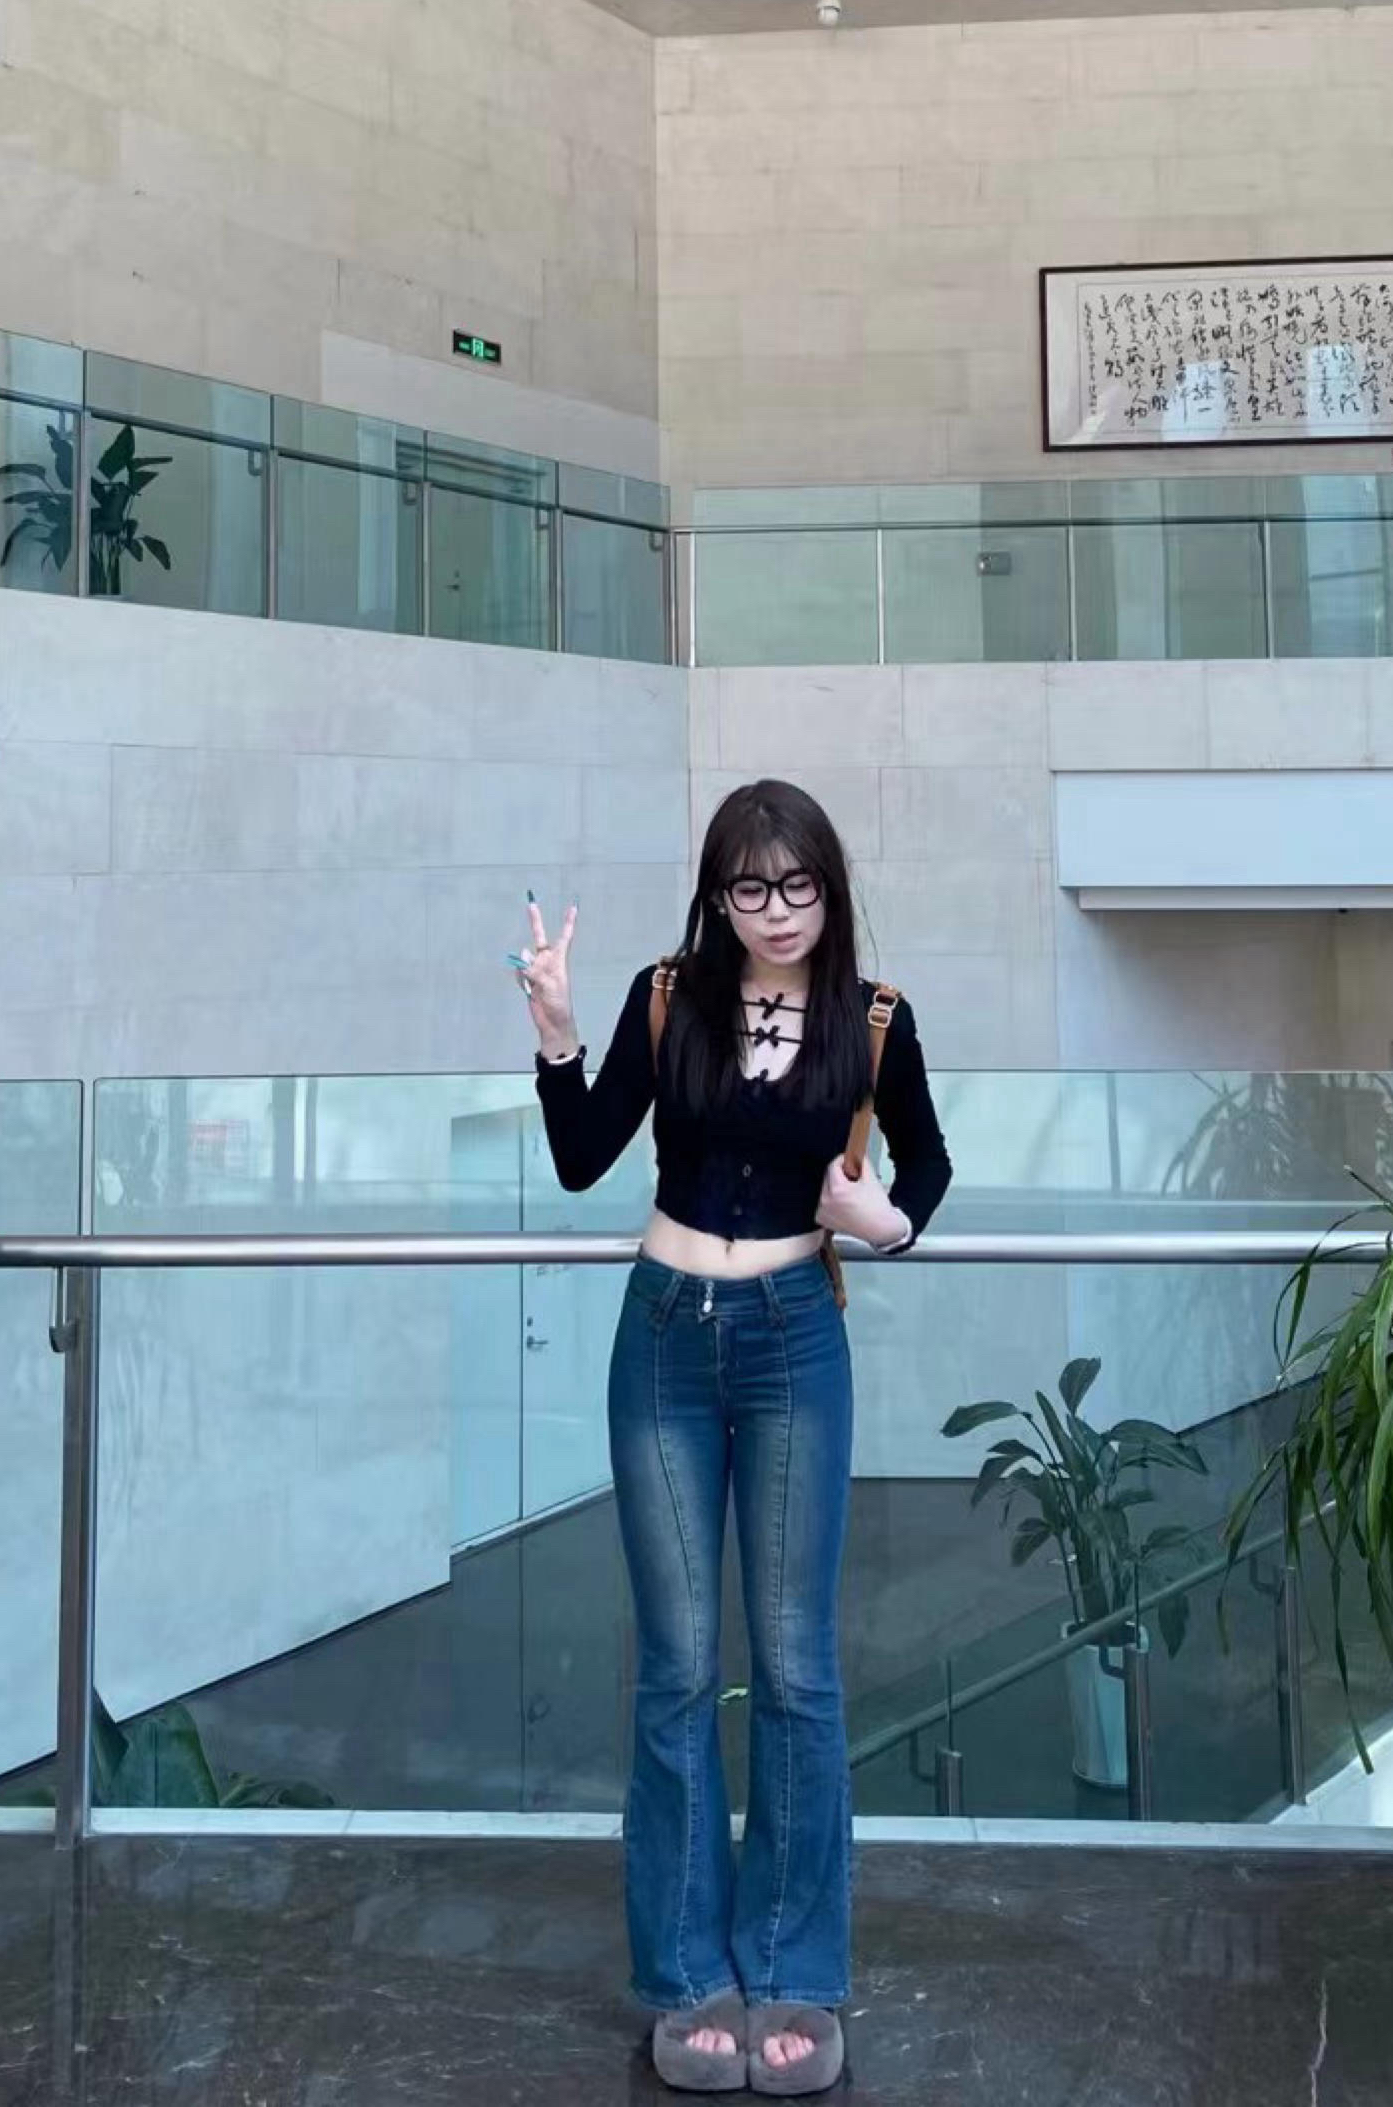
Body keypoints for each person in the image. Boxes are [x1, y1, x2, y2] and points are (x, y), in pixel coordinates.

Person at [511, 779, 952, 2097]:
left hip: (793, 1341)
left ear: (831, 890)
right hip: (662, 1336)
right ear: (717, 896)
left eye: (798, 886)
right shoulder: (668, 998)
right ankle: (687, 1973)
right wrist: (555, 1034)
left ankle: (794, 1968)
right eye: (749, 889)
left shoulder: (876, 1020)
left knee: (800, 1667)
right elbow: (584, 1156)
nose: (776, 912)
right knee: (679, 1667)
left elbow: (926, 1165)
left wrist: (886, 1222)